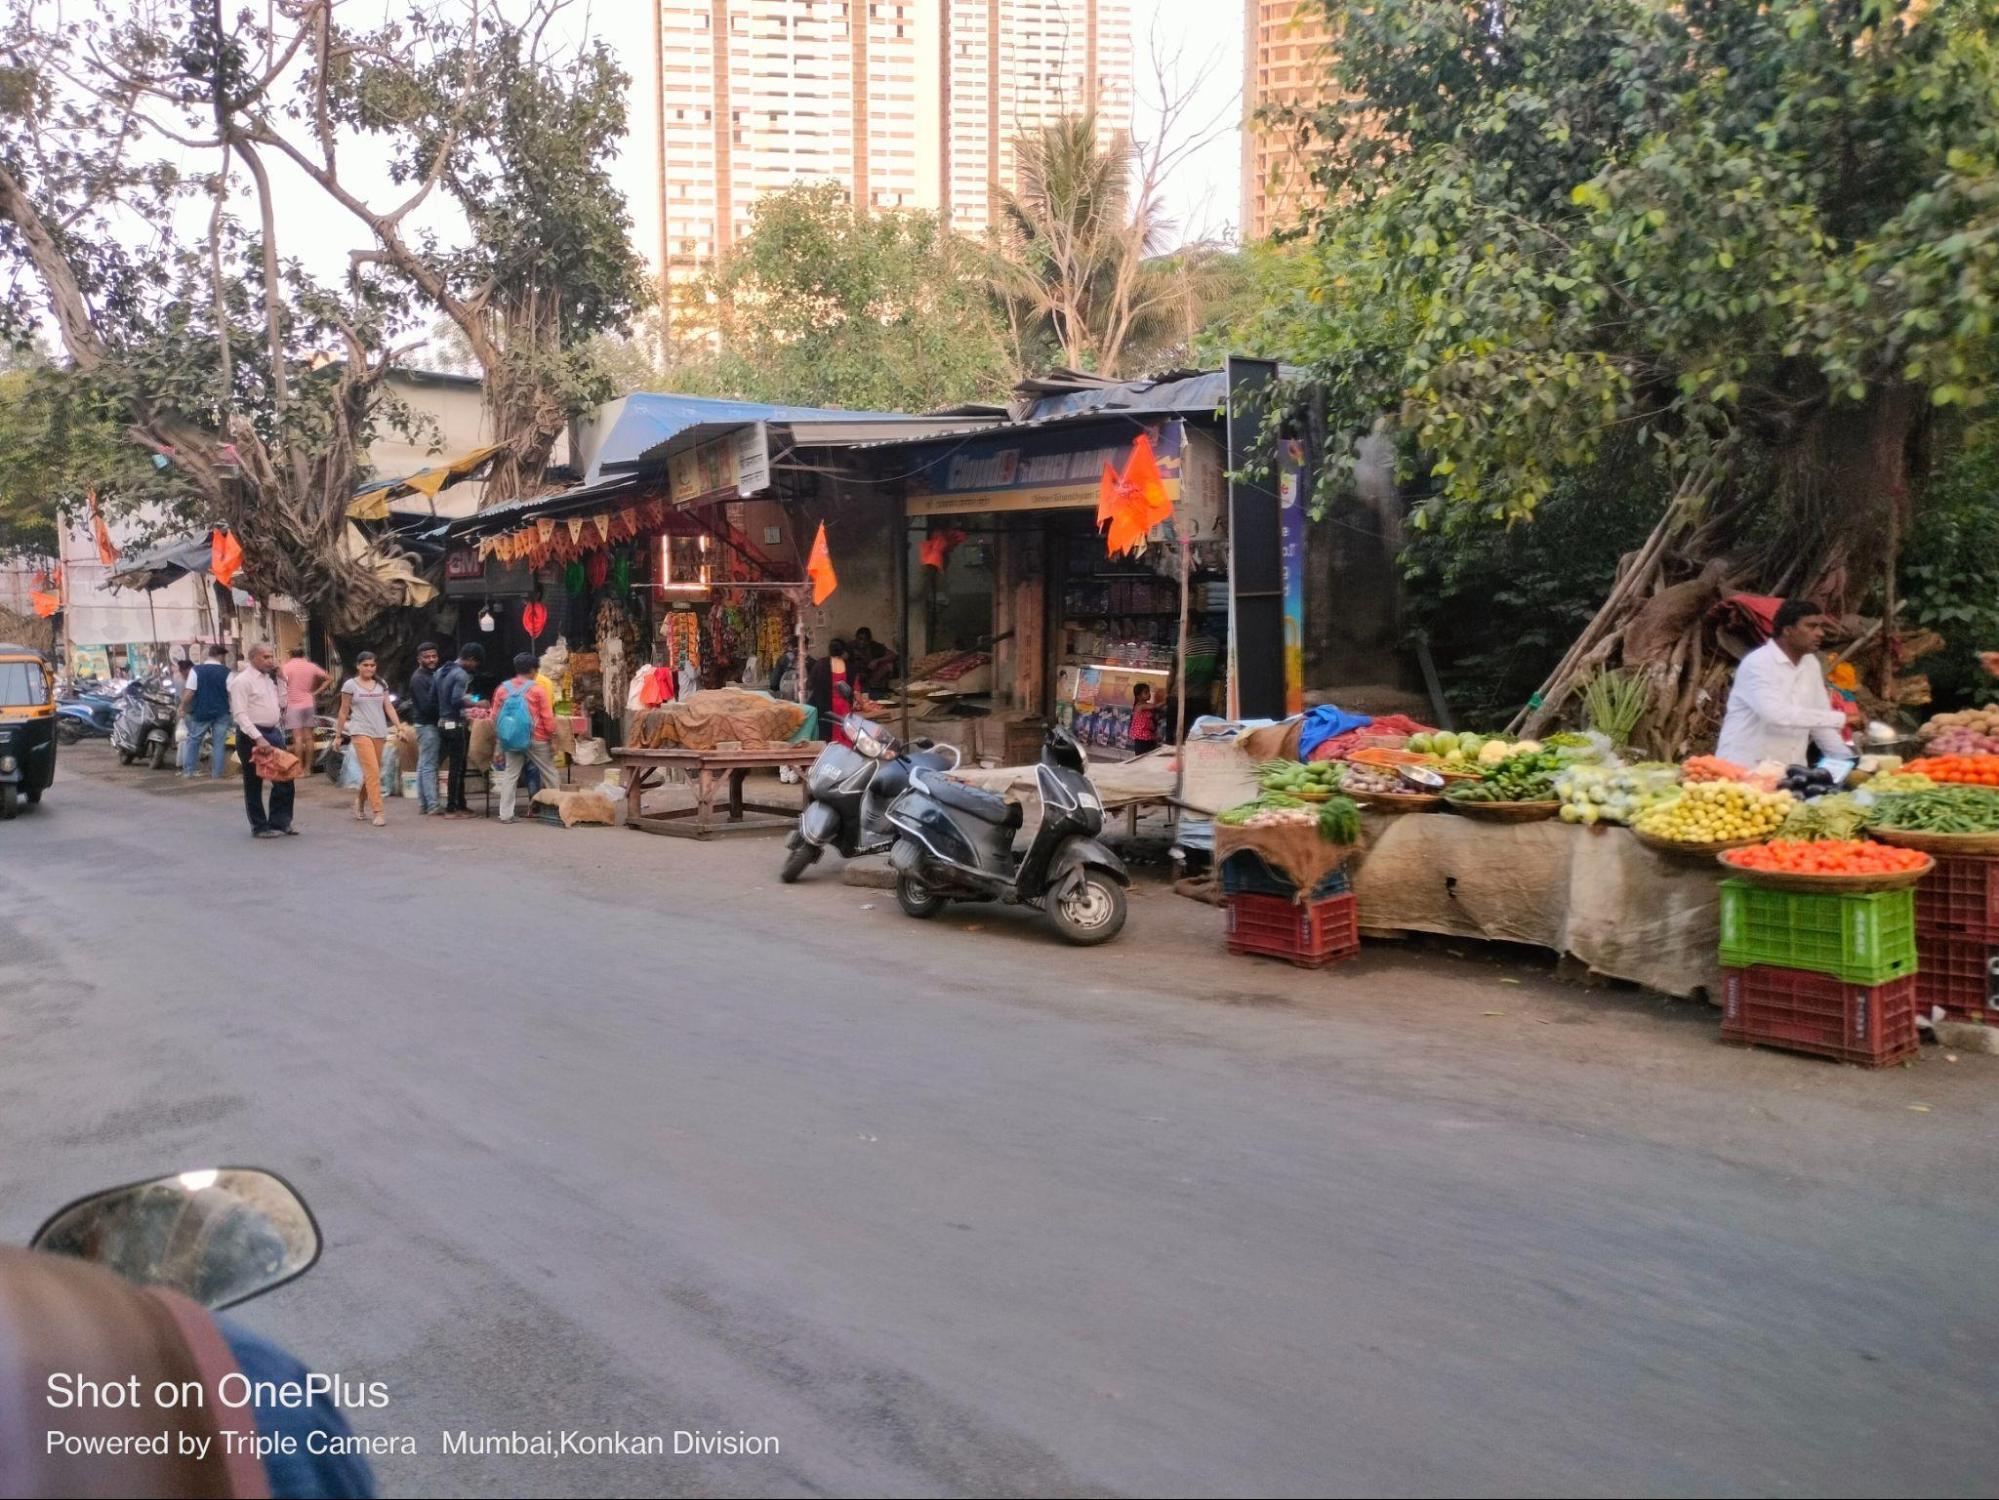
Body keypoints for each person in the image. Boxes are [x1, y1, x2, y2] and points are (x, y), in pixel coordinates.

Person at [1714, 598, 1851, 768]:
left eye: (1820, 627)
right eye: (1811, 626)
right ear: (1787, 630)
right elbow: (1775, 714)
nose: (1820, 633)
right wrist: (1841, 719)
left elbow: (1821, 726)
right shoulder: (1758, 663)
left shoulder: (1811, 664)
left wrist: (1848, 763)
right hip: (1744, 771)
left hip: (1790, 773)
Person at [228, 642, 296, 838]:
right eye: (265, 657)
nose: (270, 661)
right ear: (253, 658)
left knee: (285, 776)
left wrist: (282, 679)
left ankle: (281, 821)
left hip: (272, 732)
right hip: (252, 735)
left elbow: (282, 703)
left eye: (271, 657)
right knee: (254, 781)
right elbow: (240, 714)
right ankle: (259, 826)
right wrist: (258, 738)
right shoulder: (243, 681)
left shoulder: (269, 679)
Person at [335, 652, 401, 827]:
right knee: (372, 771)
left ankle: (360, 800)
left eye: (372, 665)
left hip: (379, 731)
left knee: (373, 772)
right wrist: (338, 735)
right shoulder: (350, 685)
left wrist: (399, 727)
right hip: (359, 731)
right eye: (365, 665)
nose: (369, 668)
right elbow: (343, 711)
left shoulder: (381, 684)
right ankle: (378, 812)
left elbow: (389, 707)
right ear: (358, 666)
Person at [491, 652, 556, 824]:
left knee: (510, 775)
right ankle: (556, 811)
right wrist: (552, 737)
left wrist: (501, 739)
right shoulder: (537, 689)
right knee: (549, 772)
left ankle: (505, 814)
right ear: (534, 670)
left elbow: (494, 717)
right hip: (537, 738)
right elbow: (547, 717)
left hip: (511, 739)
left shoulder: (502, 689)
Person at [435, 642, 481, 818]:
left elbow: (434, 697)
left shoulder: (442, 671)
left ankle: (461, 804)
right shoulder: (461, 675)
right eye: (475, 663)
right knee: (457, 767)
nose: (475, 667)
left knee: (454, 765)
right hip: (455, 724)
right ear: (470, 659)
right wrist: (476, 703)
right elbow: (456, 700)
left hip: (442, 722)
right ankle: (452, 808)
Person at [178, 645, 233, 779]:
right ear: (220, 656)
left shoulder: (196, 670)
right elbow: (232, 693)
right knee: (219, 743)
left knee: (194, 740)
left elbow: (190, 691)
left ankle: (189, 771)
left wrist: (182, 706)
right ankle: (217, 773)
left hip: (202, 711)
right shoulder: (227, 672)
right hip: (222, 712)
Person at [407, 642, 442, 815]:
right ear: (419, 659)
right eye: (427, 657)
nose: (431, 659)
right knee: (429, 765)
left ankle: (424, 803)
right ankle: (433, 805)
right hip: (427, 725)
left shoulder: (432, 675)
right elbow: (426, 706)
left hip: (426, 724)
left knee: (423, 764)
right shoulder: (419, 678)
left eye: (434, 656)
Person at [279, 646, 328, 763]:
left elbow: (281, 684)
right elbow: (329, 678)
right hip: (309, 703)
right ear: (303, 654)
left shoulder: (286, 667)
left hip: (293, 705)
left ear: (290, 655)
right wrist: (315, 692)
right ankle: (308, 768)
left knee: (298, 739)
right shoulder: (311, 666)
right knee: (309, 738)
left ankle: (299, 767)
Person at [850, 626, 898, 693]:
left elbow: (893, 655)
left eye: (865, 640)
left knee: (888, 665)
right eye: (860, 639)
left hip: (870, 674)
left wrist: (877, 660)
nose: (862, 642)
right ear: (856, 638)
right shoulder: (850, 646)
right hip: (856, 674)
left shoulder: (874, 646)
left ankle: (873, 686)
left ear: (869, 640)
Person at [1128, 681, 1160, 755]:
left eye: (1149, 692)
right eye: (1146, 692)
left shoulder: (1146, 705)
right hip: (1141, 738)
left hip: (1148, 737)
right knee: (1142, 758)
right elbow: (1155, 706)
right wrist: (1167, 700)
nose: (1149, 694)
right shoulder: (1140, 706)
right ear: (1139, 696)